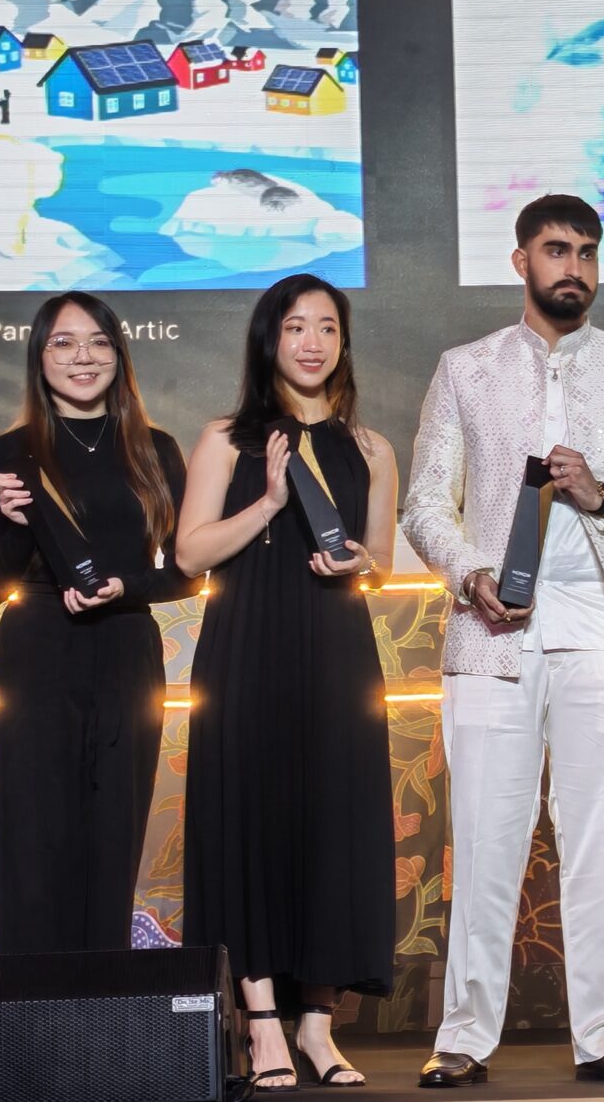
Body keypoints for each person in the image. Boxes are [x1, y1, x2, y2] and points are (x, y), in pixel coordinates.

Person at [401, 194, 604, 1088]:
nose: (574, 267)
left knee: (599, 841)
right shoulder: (466, 369)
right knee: (484, 838)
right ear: (522, 261)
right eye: (557, 250)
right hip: (492, 629)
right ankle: (463, 1034)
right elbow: (425, 502)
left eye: (587, 252)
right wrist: (469, 573)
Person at [175, 274, 396, 1092]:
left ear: (343, 342)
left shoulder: (371, 447)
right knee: (248, 822)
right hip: (246, 648)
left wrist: (359, 562)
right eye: (296, 326)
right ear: (269, 337)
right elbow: (189, 553)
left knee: (335, 824)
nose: (312, 342)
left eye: (327, 327)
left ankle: (318, 1023)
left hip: (337, 650)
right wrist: (269, 503)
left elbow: (382, 559)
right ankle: (261, 1019)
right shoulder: (224, 439)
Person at [0, 291, 191, 954]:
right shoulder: (7, 453)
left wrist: (128, 588)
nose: (82, 356)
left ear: (119, 354)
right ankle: (34, 1006)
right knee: (33, 837)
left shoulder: (155, 449)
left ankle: (102, 1002)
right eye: (63, 343)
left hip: (127, 652)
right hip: (37, 654)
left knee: (114, 832)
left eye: (97, 341)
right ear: (39, 358)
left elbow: (188, 573)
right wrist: (14, 523)